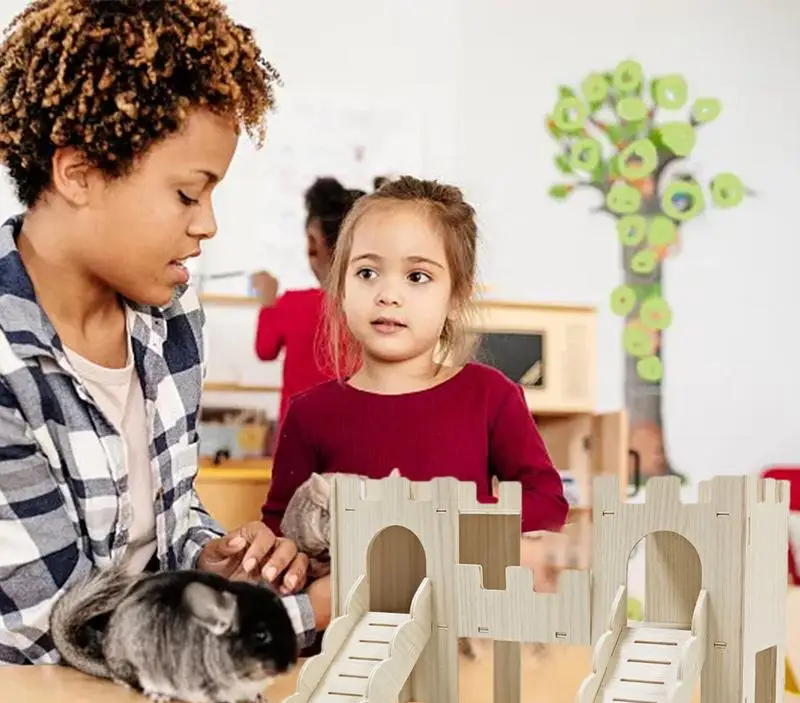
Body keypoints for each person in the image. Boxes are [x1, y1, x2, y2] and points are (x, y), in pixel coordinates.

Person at [0, 0, 321, 666]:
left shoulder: (169, 317)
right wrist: (314, 607)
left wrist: (217, 562)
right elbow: (60, 636)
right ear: (78, 172)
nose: (208, 225)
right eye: (187, 193)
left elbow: (163, 527)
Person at [261, 175, 571, 632]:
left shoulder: (492, 396)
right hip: (350, 637)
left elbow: (547, 502)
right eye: (366, 273)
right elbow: (282, 529)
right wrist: (278, 555)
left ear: (456, 296)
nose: (388, 294)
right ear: (340, 287)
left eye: (417, 276)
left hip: (460, 631)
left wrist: (445, 524)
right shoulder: (309, 413)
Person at [251, 178, 365, 427]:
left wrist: (268, 302)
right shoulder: (379, 306)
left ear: (313, 244)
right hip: (360, 435)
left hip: (299, 439)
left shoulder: (292, 304)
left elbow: (265, 349)